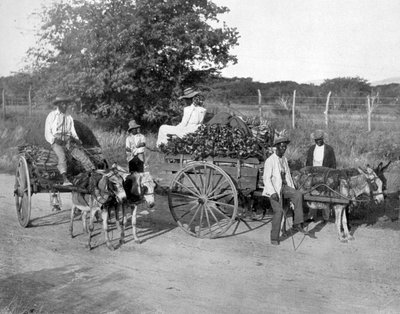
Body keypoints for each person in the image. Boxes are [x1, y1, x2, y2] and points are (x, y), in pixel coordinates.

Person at [262, 135, 308, 245]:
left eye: (285, 147)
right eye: (282, 147)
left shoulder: (284, 159)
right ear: (276, 147)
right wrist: (273, 193)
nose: (284, 149)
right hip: (274, 190)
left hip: (284, 187)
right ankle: (274, 238)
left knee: (298, 195)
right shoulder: (270, 161)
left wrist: (292, 189)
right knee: (279, 212)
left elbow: (287, 176)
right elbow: (266, 179)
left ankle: (297, 223)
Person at [45, 96, 95, 185]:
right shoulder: (52, 115)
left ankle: (92, 173)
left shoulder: (69, 117)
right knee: (62, 157)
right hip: (57, 141)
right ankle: (65, 179)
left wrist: (77, 139)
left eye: (66, 104)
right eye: (63, 104)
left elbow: (72, 131)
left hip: (68, 140)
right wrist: (54, 140)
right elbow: (47, 132)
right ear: (58, 105)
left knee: (81, 155)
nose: (65, 106)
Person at [305, 129, 337, 223]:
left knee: (325, 195)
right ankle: (311, 216)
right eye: (316, 139)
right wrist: (308, 172)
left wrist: (331, 175)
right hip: (313, 175)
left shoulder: (329, 149)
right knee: (312, 193)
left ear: (323, 139)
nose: (318, 141)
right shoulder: (311, 149)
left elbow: (333, 164)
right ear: (314, 140)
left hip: (325, 175)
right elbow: (308, 162)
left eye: (320, 139)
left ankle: (326, 217)